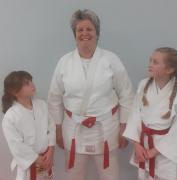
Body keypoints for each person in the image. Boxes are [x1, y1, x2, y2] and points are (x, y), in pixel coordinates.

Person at [48, 9, 134, 180]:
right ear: (74, 34)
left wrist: (124, 127)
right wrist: (57, 129)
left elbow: (126, 95)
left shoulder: (111, 60)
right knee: (73, 175)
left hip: (106, 128)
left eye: (89, 29)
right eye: (80, 30)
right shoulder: (64, 62)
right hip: (74, 129)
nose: (85, 33)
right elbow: (54, 98)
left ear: (97, 33)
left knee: (110, 175)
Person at [123, 47, 177, 180]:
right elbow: (134, 116)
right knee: (144, 176)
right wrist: (136, 145)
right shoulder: (144, 84)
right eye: (150, 60)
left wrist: (154, 151)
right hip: (143, 146)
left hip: (165, 151)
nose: (150, 64)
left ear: (169, 70)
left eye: (155, 62)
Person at [2, 71, 56, 180]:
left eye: (31, 81)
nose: (32, 85)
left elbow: (51, 127)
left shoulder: (41, 105)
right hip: (29, 165)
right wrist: (36, 159)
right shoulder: (11, 117)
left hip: (46, 159)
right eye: (26, 83)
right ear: (14, 91)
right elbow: (16, 145)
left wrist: (50, 151)